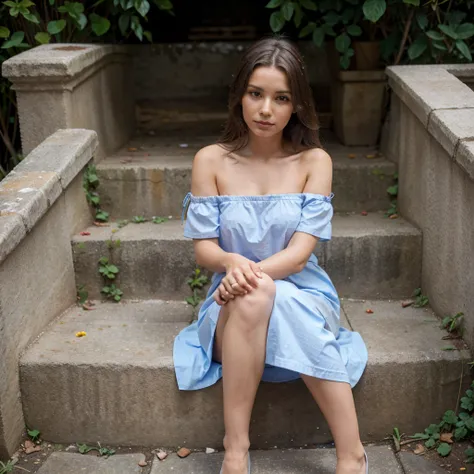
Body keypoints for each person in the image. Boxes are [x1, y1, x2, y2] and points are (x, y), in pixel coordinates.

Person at [174, 36, 369, 474]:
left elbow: (299, 256)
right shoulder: (211, 160)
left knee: (261, 292)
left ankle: (242, 454)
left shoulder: (313, 161)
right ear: (239, 95)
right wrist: (230, 265)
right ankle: (338, 453)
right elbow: (205, 248)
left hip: (303, 293)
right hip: (231, 307)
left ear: (296, 105)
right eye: (256, 94)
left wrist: (247, 277)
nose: (266, 110)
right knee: (255, 295)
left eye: (281, 98)